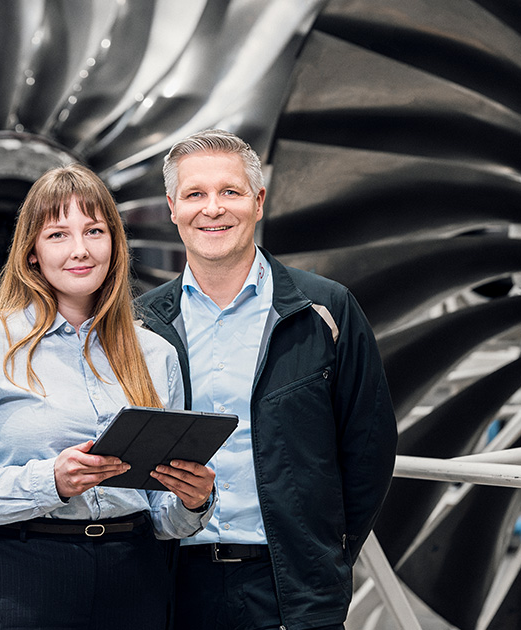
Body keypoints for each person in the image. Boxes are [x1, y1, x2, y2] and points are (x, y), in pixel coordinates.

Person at [0, 163, 217, 630]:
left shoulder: (156, 354)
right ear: (31, 253)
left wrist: (193, 501)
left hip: (135, 580)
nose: (80, 250)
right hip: (21, 576)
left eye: (94, 231)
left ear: (114, 244)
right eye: (58, 235)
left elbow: (161, 517)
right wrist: (48, 481)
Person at [138, 129, 397, 630]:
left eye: (230, 192)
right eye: (195, 194)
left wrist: (325, 552)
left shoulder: (326, 310)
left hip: (291, 588)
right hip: (172, 585)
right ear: (173, 208)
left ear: (258, 202)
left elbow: (369, 447)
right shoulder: (140, 325)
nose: (213, 208)